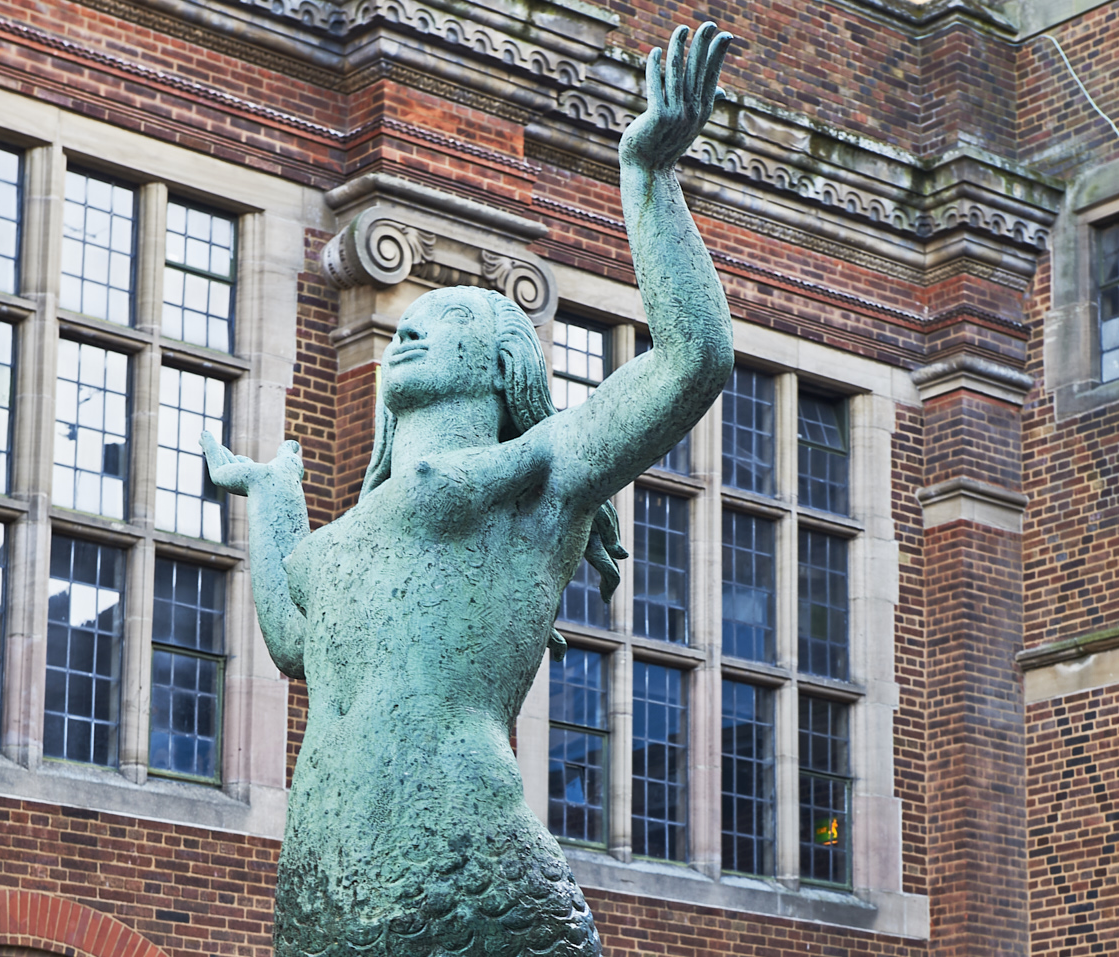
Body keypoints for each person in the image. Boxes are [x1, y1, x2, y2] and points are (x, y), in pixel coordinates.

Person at [202, 22, 734, 957]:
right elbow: (292, 639)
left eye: (441, 316)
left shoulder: (534, 479)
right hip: (323, 889)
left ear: (497, 358)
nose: (410, 326)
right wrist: (271, 492)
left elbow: (694, 359)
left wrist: (649, 177)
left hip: (466, 871)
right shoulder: (345, 537)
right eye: (409, 315)